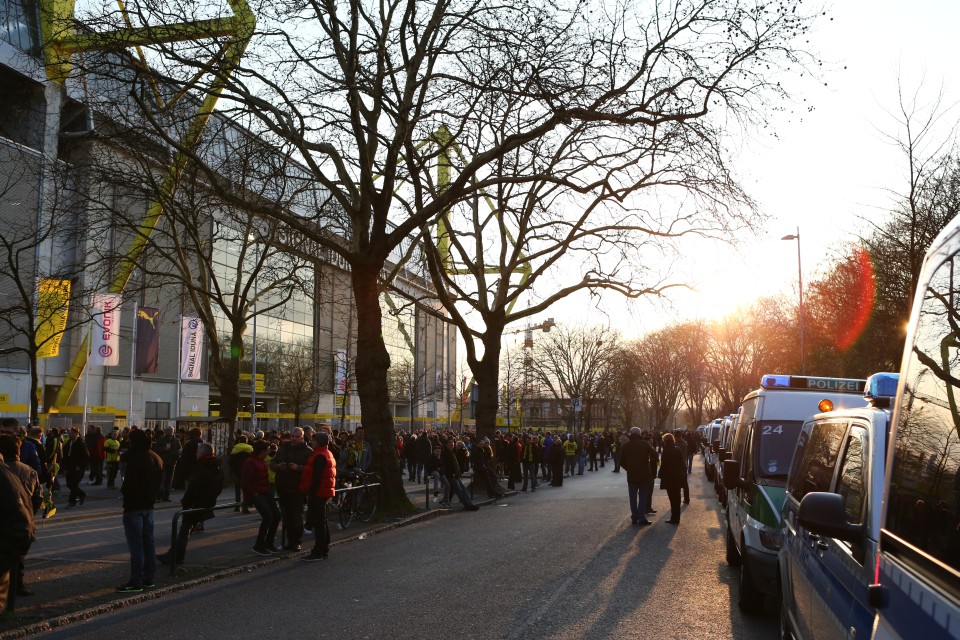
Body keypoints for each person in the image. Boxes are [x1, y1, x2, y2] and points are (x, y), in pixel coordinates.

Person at [157, 442, 224, 566]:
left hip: (196, 504)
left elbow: (194, 489)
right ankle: (173, 554)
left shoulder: (203, 468)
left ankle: (176, 557)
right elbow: (219, 487)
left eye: (198, 451)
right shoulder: (216, 467)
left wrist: (186, 502)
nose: (196, 453)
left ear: (203, 453)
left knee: (184, 530)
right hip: (206, 503)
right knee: (186, 530)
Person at [117, 429, 163, 593]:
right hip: (149, 505)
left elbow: (128, 485)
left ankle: (136, 580)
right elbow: (160, 482)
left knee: (136, 545)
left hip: (134, 506)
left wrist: (125, 493)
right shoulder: (155, 458)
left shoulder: (136, 460)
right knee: (148, 542)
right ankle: (148, 577)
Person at [0, 435, 41, 599]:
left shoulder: (3, 470)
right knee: (17, 560)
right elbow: (37, 498)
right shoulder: (29, 471)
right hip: (23, 524)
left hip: (7, 524)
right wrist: (30, 513)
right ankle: (17, 586)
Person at [269, 427, 312, 551]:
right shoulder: (283, 448)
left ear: (302, 438)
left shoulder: (307, 451)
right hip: (283, 486)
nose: (294, 438)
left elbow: (311, 469)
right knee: (286, 516)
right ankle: (289, 540)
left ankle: (296, 541)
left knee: (296, 516)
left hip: (298, 488)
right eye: (292, 436)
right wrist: (278, 466)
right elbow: (272, 463)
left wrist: (298, 467)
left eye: (297, 436)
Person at [301, 432, 336, 561]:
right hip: (323, 492)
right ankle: (324, 548)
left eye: (314, 441)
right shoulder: (326, 454)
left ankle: (319, 550)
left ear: (320, 442)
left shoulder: (319, 456)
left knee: (319, 523)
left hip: (318, 493)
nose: (312, 442)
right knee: (322, 521)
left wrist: (311, 492)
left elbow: (316, 477)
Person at [242, 440, 280, 555]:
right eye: (267, 449)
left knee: (277, 515)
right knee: (268, 516)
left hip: (265, 492)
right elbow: (245, 481)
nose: (269, 451)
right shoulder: (251, 462)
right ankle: (259, 545)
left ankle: (269, 542)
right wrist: (254, 494)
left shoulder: (262, 461)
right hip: (257, 493)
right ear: (262, 451)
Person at [619, 427, 654, 526]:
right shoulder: (645, 444)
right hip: (644, 474)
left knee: (633, 497)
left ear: (630, 433)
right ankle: (641, 517)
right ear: (639, 434)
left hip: (631, 475)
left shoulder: (626, 446)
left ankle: (634, 516)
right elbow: (653, 455)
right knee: (643, 496)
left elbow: (621, 461)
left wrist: (628, 468)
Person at [439, 438, 479, 510]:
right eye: (450, 445)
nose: (451, 446)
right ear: (447, 445)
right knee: (459, 490)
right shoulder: (445, 453)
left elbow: (455, 463)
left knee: (463, 488)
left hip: (455, 474)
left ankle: (469, 504)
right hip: (451, 475)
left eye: (452, 445)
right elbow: (447, 465)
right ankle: (467, 505)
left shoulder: (452, 452)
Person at [658, 433, 686, 524]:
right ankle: (676, 517)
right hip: (677, 476)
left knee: (672, 498)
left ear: (665, 441)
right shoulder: (678, 449)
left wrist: (660, 474)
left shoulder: (666, 451)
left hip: (669, 477)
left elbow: (664, 465)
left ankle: (673, 517)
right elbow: (682, 463)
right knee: (677, 498)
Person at [152, 425, 181, 501]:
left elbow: (180, 449)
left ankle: (166, 497)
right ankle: (159, 496)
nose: (169, 432)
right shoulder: (161, 439)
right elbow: (155, 449)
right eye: (168, 430)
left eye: (171, 430)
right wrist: (163, 449)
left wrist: (178, 453)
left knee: (169, 480)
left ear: (173, 431)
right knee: (162, 479)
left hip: (172, 462)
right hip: (163, 462)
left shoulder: (176, 440)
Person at [62, 427, 89, 508]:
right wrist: (64, 468)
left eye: (72, 433)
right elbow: (65, 456)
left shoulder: (81, 443)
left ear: (77, 434)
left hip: (78, 468)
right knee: (69, 484)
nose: (70, 435)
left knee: (73, 484)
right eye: (70, 433)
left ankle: (72, 501)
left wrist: (80, 466)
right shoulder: (68, 443)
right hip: (69, 467)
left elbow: (86, 456)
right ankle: (82, 494)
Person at [229, 435, 254, 512]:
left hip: (237, 472)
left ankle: (237, 506)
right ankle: (245, 507)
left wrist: (233, 471)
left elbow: (230, 461)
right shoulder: (250, 449)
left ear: (239, 441)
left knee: (237, 490)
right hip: (247, 473)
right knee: (246, 490)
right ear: (246, 441)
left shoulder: (235, 448)